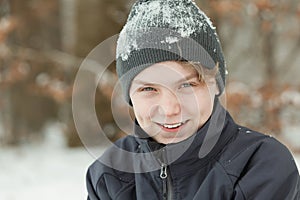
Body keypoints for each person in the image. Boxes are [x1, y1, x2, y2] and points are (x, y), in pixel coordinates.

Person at [86, 0, 300, 199]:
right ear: (130, 95)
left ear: (215, 84)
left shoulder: (260, 165)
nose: (169, 109)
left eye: (187, 85)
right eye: (149, 88)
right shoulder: (109, 174)